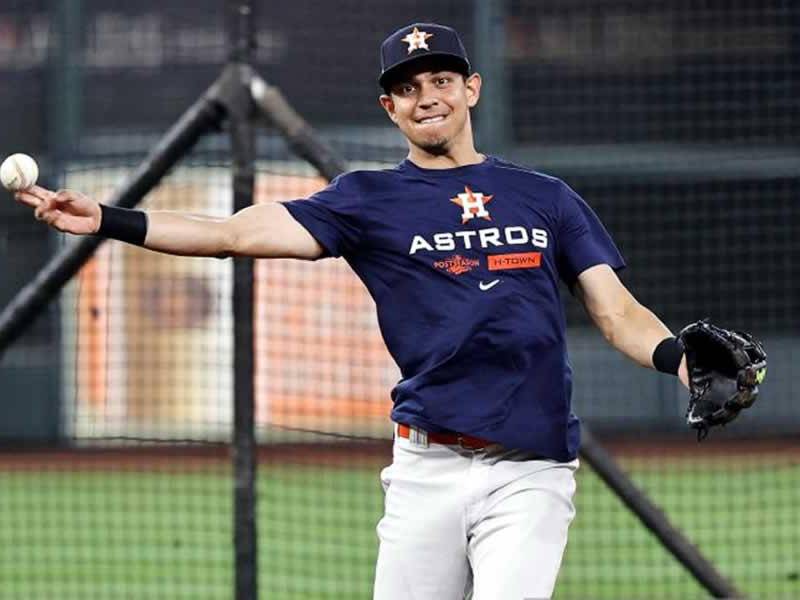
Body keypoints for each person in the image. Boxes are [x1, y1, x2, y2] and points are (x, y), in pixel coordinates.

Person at [16, 22, 690, 600]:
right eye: (409, 87)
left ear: (471, 88)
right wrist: (107, 217)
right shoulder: (366, 200)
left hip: (530, 469)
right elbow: (232, 235)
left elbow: (618, 314)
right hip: (427, 468)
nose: (428, 96)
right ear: (389, 107)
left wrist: (681, 360)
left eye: (441, 80)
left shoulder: (546, 197)